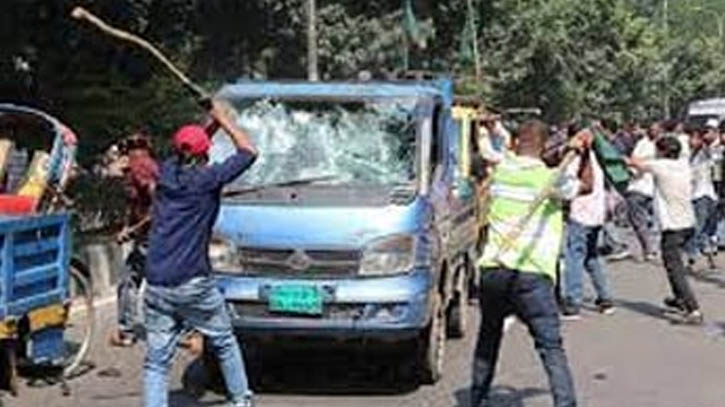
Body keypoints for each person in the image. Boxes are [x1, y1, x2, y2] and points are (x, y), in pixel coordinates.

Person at [143, 99, 257, 407]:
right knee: (223, 339)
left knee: (156, 362)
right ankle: (241, 400)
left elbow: (192, 147)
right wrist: (225, 120)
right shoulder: (206, 180)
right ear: (205, 153)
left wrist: (214, 121)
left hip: (155, 282)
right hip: (192, 282)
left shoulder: (166, 172)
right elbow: (249, 152)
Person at [471, 120, 590, 407]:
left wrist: (564, 150)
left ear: (514, 143)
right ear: (545, 145)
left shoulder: (501, 170)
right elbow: (586, 186)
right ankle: (565, 403)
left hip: (494, 269)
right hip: (532, 274)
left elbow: (497, 151)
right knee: (550, 347)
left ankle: (477, 398)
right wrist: (584, 154)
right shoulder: (549, 179)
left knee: (488, 338)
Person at [626, 136, 704, 325]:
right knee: (672, 264)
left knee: (675, 268)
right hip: (687, 222)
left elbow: (632, 162)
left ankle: (693, 309)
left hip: (673, 226)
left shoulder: (660, 166)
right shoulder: (684, 165)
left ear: (662, 152)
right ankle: (679, 299)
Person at [110, 133, 159, 347]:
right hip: (150, 235)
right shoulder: (143, 166)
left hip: (154, 235)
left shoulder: (141, 168)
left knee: (129, 281)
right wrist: (126, 227)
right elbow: (135, 204)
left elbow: (158, 206)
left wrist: (132, 231)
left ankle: (127, 332)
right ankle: (188, 332)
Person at [561, 134, 615, 319]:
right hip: (597, 214)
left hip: (581, 213)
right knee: (591, 256)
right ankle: (605, 297)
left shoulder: (577, 159)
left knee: (573, 257)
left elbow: (570, 186)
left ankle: (572, 302)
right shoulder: (598, 157)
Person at [625, 122, 660, 261]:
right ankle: (649, 249)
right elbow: (633, 162)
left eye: (656, 130)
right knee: (639, 221)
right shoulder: (642, 144)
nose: (654, 132)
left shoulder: (663, 145)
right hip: (639, 187)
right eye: (651, 130)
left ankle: (652, 249)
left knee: (650, 222)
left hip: (654, 189)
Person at [685, 125, 718, 269]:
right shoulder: (691, 154)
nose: (692, 141)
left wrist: (707, 140)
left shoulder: (705, 152)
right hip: (698, 195)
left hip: (707, 194)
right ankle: (695, 256)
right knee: (699, 227)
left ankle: (700, 255)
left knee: (704, 228)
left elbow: (710, 151)